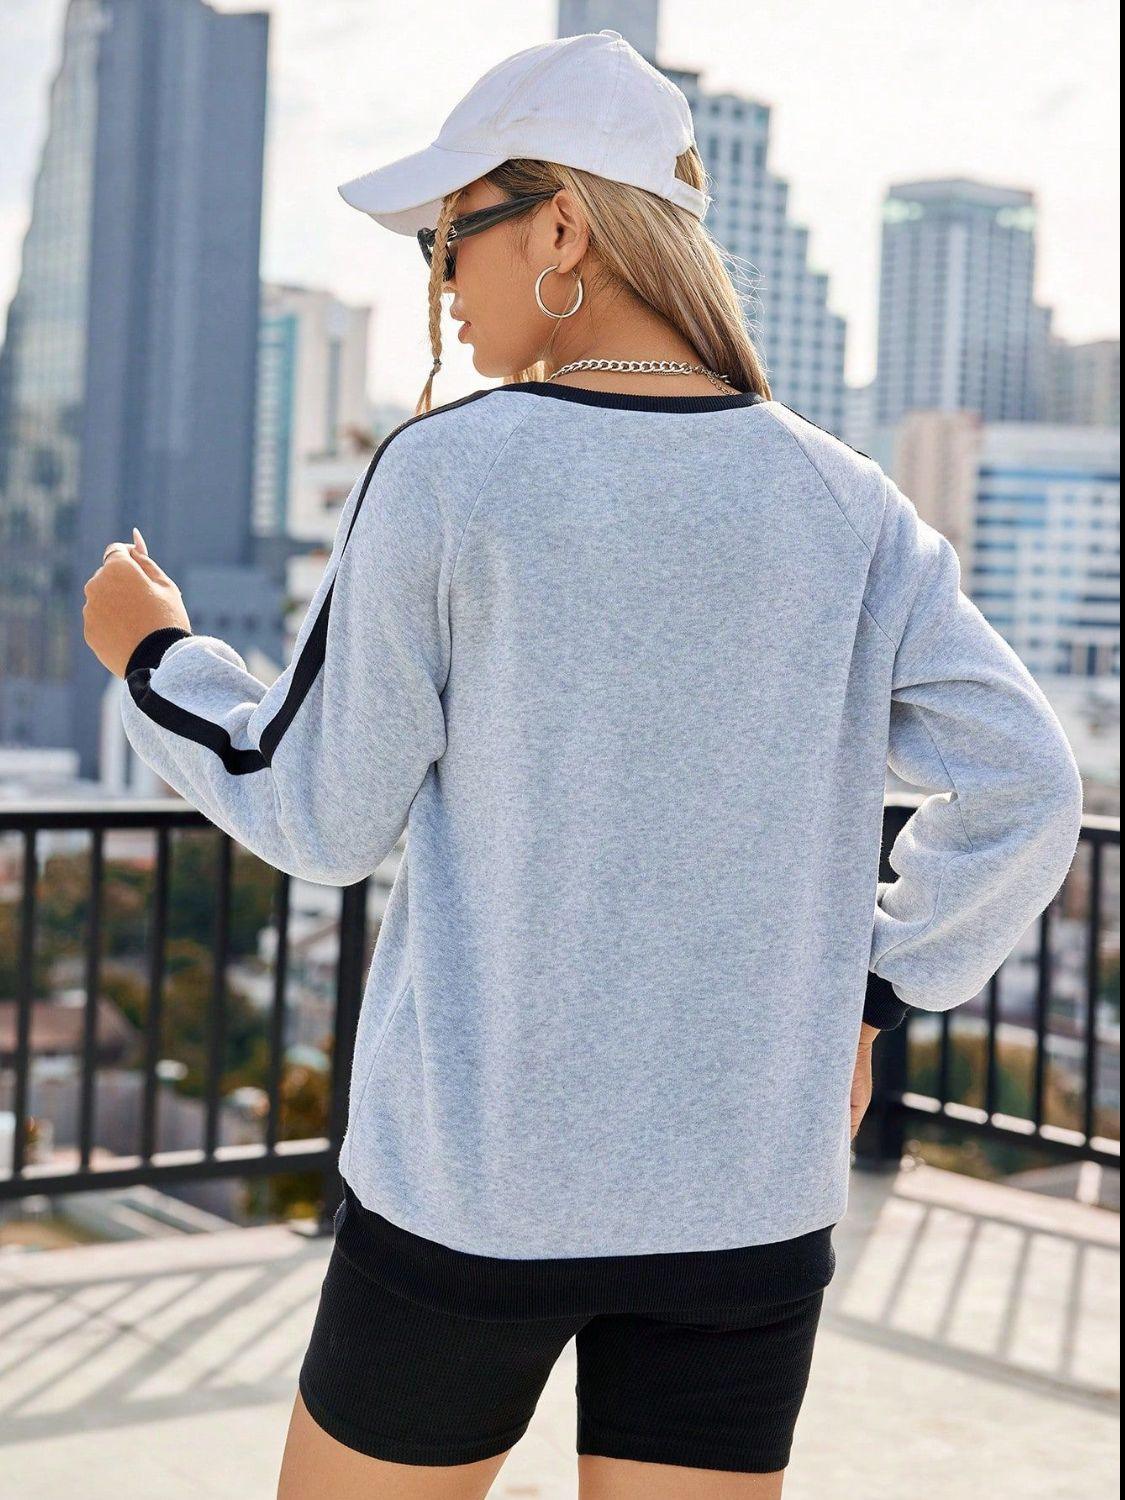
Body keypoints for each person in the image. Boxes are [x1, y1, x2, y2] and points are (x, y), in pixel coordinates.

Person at [82, 29, 1085, 1500]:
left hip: (480, 1190)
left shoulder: (452, 472)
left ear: (559, 225)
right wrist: (867, 992)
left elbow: (320, 811)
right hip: (746, 1206)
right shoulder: (848, 502)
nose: (440, 280)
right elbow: (1027, 787)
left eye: (450, 236)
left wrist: (155, 656)